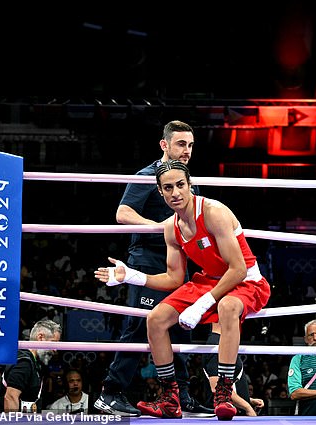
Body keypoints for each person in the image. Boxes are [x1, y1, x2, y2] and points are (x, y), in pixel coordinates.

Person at [95, 159, 271, 420]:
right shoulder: (171, 227)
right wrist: (130, 276)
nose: (175, 192)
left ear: (190, 186)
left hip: (244, 281)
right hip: (208, 281)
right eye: (168, 188)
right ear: (160, 191)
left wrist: (200, 306)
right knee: (155, 319)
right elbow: (174, 279)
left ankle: (223, 391)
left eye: (180, 185)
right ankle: (170, 397)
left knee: (227, 306)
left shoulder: (214, 212)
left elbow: (238, 269)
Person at [93, 120, 213, 418]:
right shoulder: (147, 176)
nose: (187, 151)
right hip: (147, 257)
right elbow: (122, 213)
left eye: (191, 145)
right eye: (181, 144)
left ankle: (181, 396)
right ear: (164, 145)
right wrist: (160, 228)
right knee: (138, 326)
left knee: (182, 327)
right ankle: (110, 393)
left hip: (179, 262)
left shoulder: (189, 182)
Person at [0, 319, 62, 413]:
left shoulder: (36, 363)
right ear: (40, 337)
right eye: (53, 342)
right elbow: (10, 397)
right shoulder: (24, 363)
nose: (55, 350)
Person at [203, 323, 264, 416]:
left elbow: (228, 384)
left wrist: (248, 399)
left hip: (233, 414)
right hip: (226, 416)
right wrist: (247, 407)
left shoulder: (225, 342)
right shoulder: (216, 344)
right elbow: (216, 386)